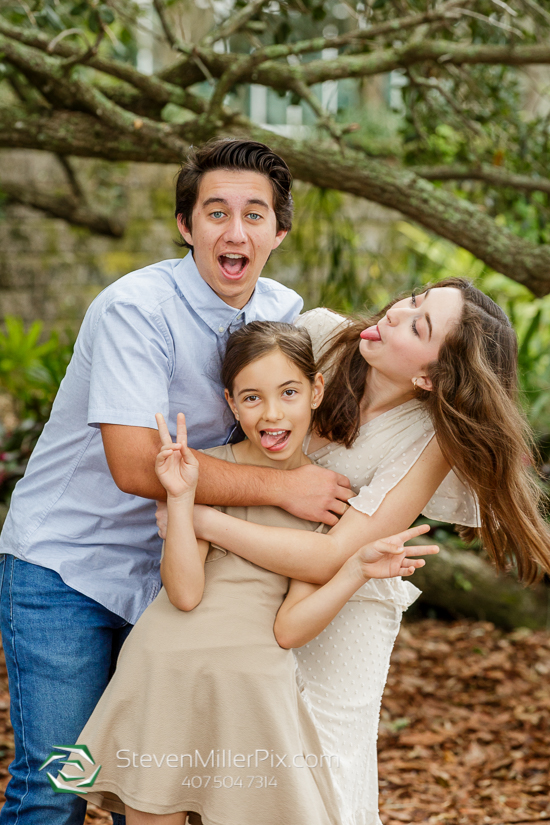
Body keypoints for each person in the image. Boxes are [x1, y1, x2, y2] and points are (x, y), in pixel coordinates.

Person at [0, 139, 353, 825]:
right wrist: (281, 490)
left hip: (175, 581)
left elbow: (344, 389)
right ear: (186, 226)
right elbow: (137, 467)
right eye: (214, 211)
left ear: (279, 232)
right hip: (68, 568)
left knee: (161, 791)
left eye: (254, 214)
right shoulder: (135, 307)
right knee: (59, 781)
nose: (234, 230)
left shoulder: (282, 309)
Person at [186, 278, 550, 825]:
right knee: (232, 768)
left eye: (419, 325)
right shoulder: (319, 336)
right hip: (244, 583)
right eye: (414, 299)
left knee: (322, 775)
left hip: (344, 599)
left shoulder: (429, 439)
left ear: (430, 376)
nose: (398, 311)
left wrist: (203, 518)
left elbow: (334, 557)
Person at [65, 322, 438, 825]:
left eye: (288, 392)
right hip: (165, 673)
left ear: (316, 391)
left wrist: (355, 571)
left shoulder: (324, 497)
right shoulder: (209, 471)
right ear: (232, 404)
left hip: (250, 690)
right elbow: (184, 593)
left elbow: (290, 628)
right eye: (252, 398)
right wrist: (181, 499)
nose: (273, 413)